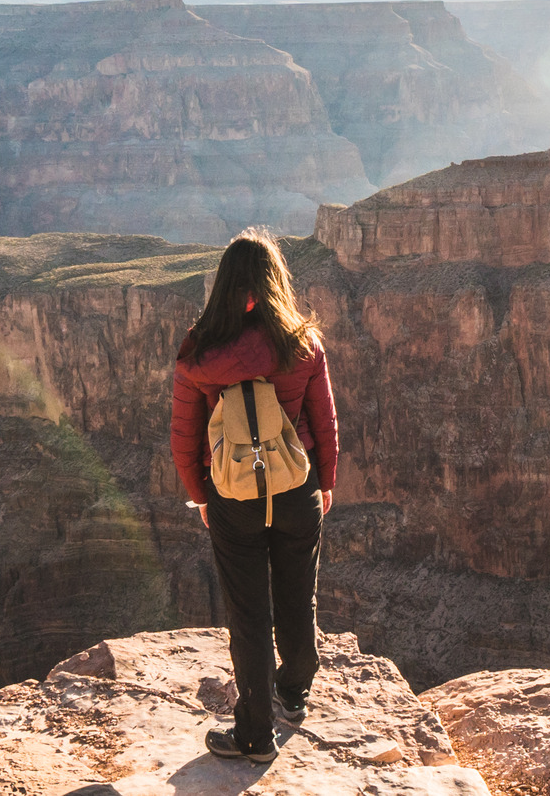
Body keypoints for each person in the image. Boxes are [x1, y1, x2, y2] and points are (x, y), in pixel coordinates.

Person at [170, 229, 339, 764]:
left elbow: (185, 437)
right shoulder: (303, 343)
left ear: (223, 286)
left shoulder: (200, 352)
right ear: (275, 282)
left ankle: (255, 736)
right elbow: (324, 423)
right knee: (296, 595)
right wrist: (326, 483)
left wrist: (201, 497)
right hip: (295, 488)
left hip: (233, 496)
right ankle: (293, 693)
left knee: (248, 612)